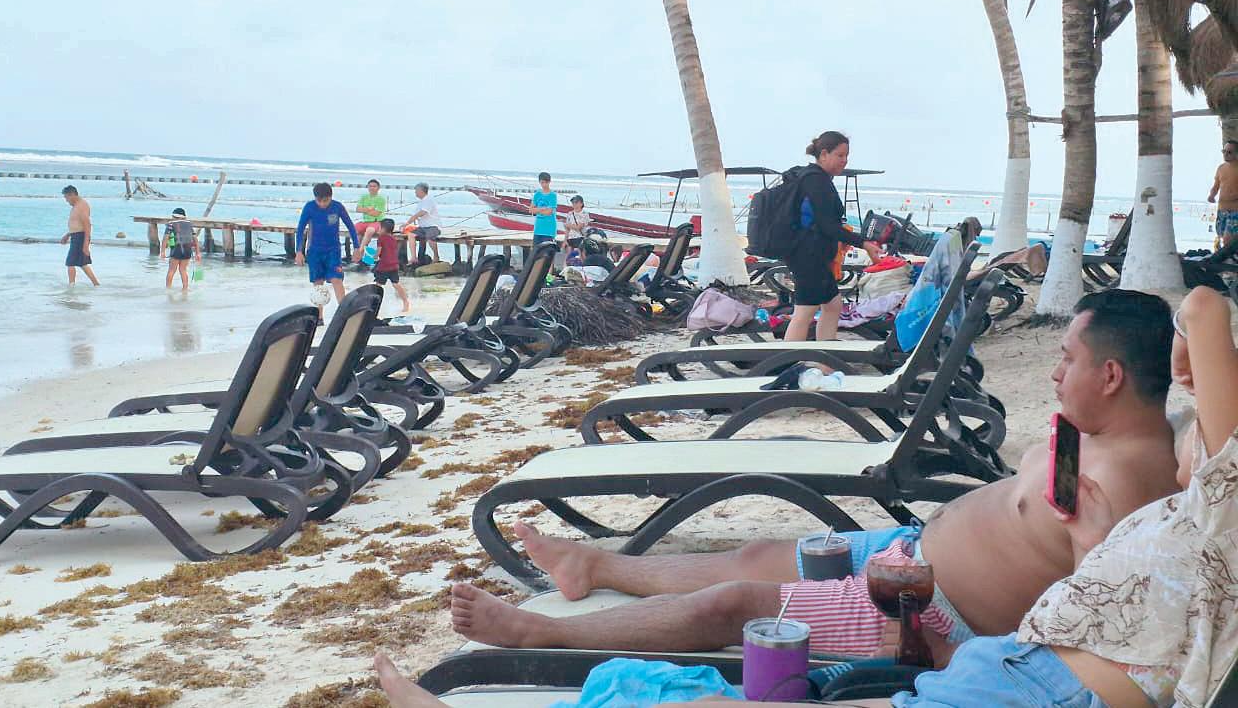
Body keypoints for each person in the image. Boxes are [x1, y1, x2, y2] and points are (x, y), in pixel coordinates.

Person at [375, 288, 1238, 708]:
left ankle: (535, 635)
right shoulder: (1110, 438)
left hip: (936, 609)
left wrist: (940, 637)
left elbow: (1100, 605)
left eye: (1068, 359)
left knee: (736, 604)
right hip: (919, 566)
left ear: (1111, 375)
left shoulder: (1144, 485)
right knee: (756, 559)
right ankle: (593, 567)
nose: (1052, 372)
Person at [786, 132, 881, 342]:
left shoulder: (817, 178)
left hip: (813, 256)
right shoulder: (815, 180)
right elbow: (827, 225)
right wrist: (863, 243)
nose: (844, 160)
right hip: (807, 256)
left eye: (846, 156)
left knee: (832, 305)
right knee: (804, 312)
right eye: (839, 155)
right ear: (823, 154)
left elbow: (824, 223)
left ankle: (824, 352)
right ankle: (790, 357)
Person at [295, 182, 360, 322]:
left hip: (333, 250)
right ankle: (319, 317)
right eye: (319, 201)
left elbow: (350, 226)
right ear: (315, 198)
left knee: (337, 279)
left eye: (325, 200)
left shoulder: (337, 207)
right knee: (318, 282)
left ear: (331, 197)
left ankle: (344, 314)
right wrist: (299, 251)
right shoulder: (309, 207)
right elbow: (300, 229)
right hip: (314, 251)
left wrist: (356, 247)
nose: (322, 204)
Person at [59, 185, 100, 286]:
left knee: (70, 262)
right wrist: (68, 235)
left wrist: (86, 245)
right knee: (82, 263)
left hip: (80, 237)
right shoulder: (76, 205)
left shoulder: (81, 206)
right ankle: (96, 284)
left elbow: (87, 225)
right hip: (76, 236)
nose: (66, 201)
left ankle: (71, 286)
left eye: (66, 198)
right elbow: (76, 224)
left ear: (72, 195)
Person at [371, 218, 410, 314]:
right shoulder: (393, 238)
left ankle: (374, 304)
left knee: (378, 285)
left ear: (384, 229)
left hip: (384, 266)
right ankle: (405, 301)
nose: (378, 230)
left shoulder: (381, 238)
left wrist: (373, 257)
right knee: (396, 284)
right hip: (394, 265)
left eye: (379, 228)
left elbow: (378, 252)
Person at [159, 207, 201, 291]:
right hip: (187, 250)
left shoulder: (171, 224)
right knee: (183, 270)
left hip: (176, 250)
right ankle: (185, 289)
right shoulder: (189, 224)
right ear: (184, 217)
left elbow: (165, 238)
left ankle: (168, 290)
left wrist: (162, 252)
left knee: (171, 270)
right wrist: (198, 253)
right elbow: (195, 239)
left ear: (174, 216)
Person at [402, 182, 440, 266]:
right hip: (422, 227)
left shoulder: (428, 200)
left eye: (416, 190)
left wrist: (408, 222)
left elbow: (422, 213)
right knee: (411, 235)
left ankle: (436, 256)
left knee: (430, 237)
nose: (415, 192)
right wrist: (408, 224)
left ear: (420, 190)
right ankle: (414, 257)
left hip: (433, 226)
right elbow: (417, 216)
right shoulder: (421, 201)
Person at [1209, 139, 1238, 249]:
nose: (1225, 154)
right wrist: (1212, 195)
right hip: (1222, 210)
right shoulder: (1221, 168)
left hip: (1235, 210)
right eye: (1224, 151)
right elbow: (1216, 185)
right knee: (1221, 236)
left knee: (1228, 239)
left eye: (1229, 152)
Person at [356, 178, 388, 244]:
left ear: (378, 188)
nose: (372, 188)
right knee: (354, 229)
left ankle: (362, 248)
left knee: (369, 231)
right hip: (365, 221)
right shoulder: (363, 197)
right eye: (370, 186)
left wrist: (364, 210)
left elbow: (376, 214)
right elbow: (358, 209)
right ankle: (357, 247)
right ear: (368, 187)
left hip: (377, 222)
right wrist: (369, 209)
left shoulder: (381, 199)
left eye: (374, 186)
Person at [531, 172, 558, 246]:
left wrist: (537, 210)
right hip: (538, 229)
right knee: (536, 250)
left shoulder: (552, 195)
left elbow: (549, 212)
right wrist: (542, 208)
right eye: (542, 182)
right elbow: (531, 210)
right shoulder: (537, 194)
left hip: (549, 229)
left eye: (546, 182)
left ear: (549, 182)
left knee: (547, 250)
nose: (544, 185)